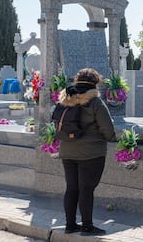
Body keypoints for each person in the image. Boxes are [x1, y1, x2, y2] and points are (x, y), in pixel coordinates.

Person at [57, 68, 116, 236]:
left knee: (72, 188)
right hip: (91, 153)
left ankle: (70, 225)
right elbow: (107, 128)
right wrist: (110, 138)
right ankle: (87, 227)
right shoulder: (95, 102)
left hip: (67, 150)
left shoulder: (65, 99)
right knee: (86, 189)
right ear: (95, 83)